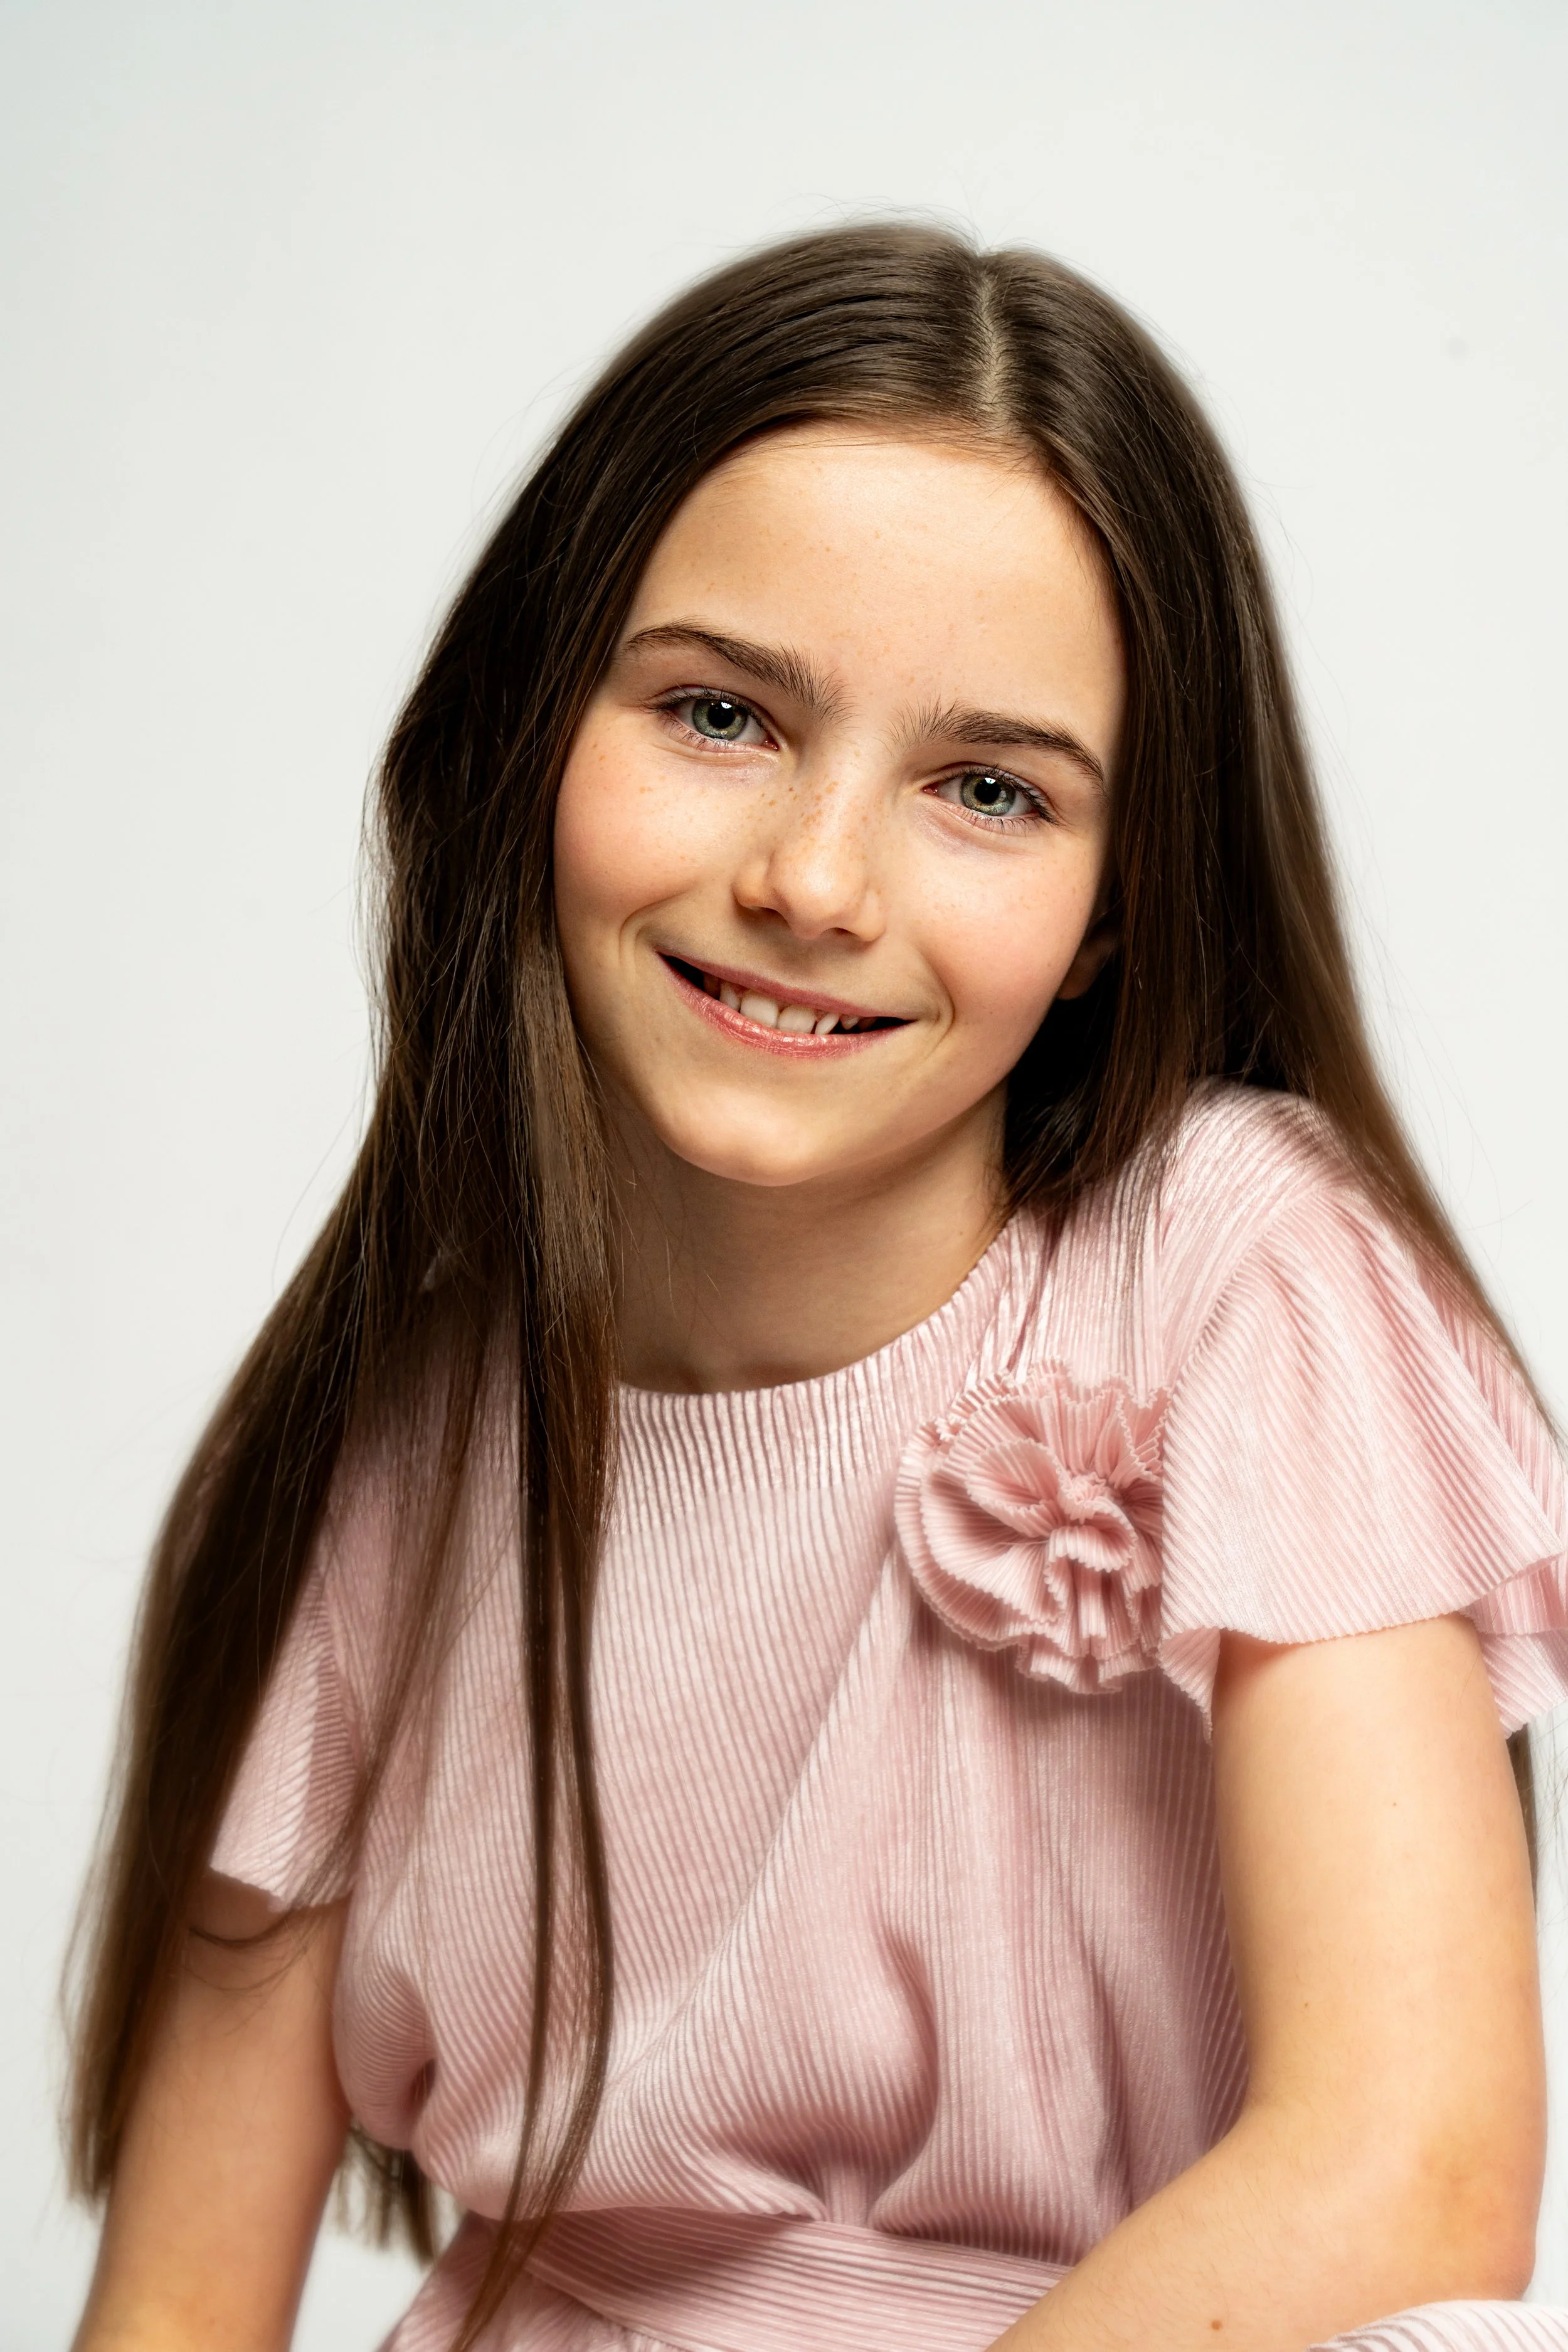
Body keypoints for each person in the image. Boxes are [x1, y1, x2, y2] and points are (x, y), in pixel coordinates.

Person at [66, 225, 1568, 2352]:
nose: (813, 880)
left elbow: (1402, 2168)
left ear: (1116, 905)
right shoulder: (371, 1452)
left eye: (984, 788)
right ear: (528, 735)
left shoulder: (1239, 1267)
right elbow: (179, 2314)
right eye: (717, 713)